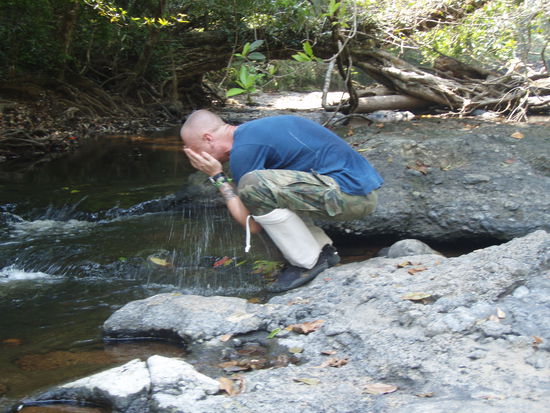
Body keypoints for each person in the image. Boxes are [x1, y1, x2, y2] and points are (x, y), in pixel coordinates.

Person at [180, 110, 383, 292]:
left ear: (208, 138)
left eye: (196, 153)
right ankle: (323, 251)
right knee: (267, 190)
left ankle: (307, 262)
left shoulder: (245, 148)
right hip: (355, 192)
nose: (197, 161)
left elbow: (252, 223)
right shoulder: (255, 131)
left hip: (351, 196)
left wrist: (218, 177)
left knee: (253, 184)